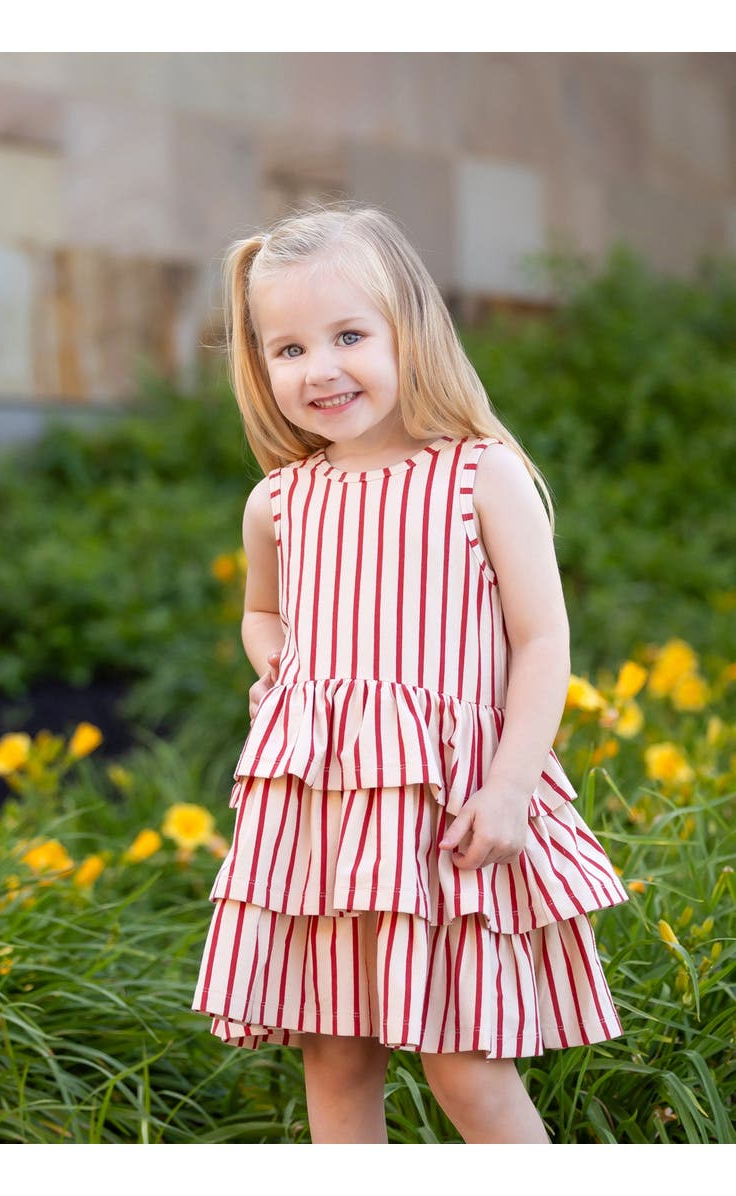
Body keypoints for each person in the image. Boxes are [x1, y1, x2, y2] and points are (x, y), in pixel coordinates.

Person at [191, 201, 629, 1145]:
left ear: (409, 331)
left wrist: (512, 786)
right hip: (323, 817)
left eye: (349, 334)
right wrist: (281, 670)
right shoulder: (279, 501)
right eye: (288, 348)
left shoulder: (480, 477)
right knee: (336, 1056)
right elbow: (262, 612)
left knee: (467, 1067)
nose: (321, 368)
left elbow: (542, 641)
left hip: (447, 815)